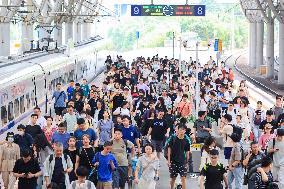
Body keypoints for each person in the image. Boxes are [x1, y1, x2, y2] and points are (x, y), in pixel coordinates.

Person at [167, 124, 191, 189]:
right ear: (178, 130)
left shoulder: (186, 141)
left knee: (183, 178)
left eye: (183, 130)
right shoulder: (173, 138)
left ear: (185, 131)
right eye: (180, 129)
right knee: (173, 178)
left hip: (182, 161)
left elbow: (187, 152)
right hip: (173, 161)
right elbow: (169, 149)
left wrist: (187, 162)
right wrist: (168, 161)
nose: (182, 131)